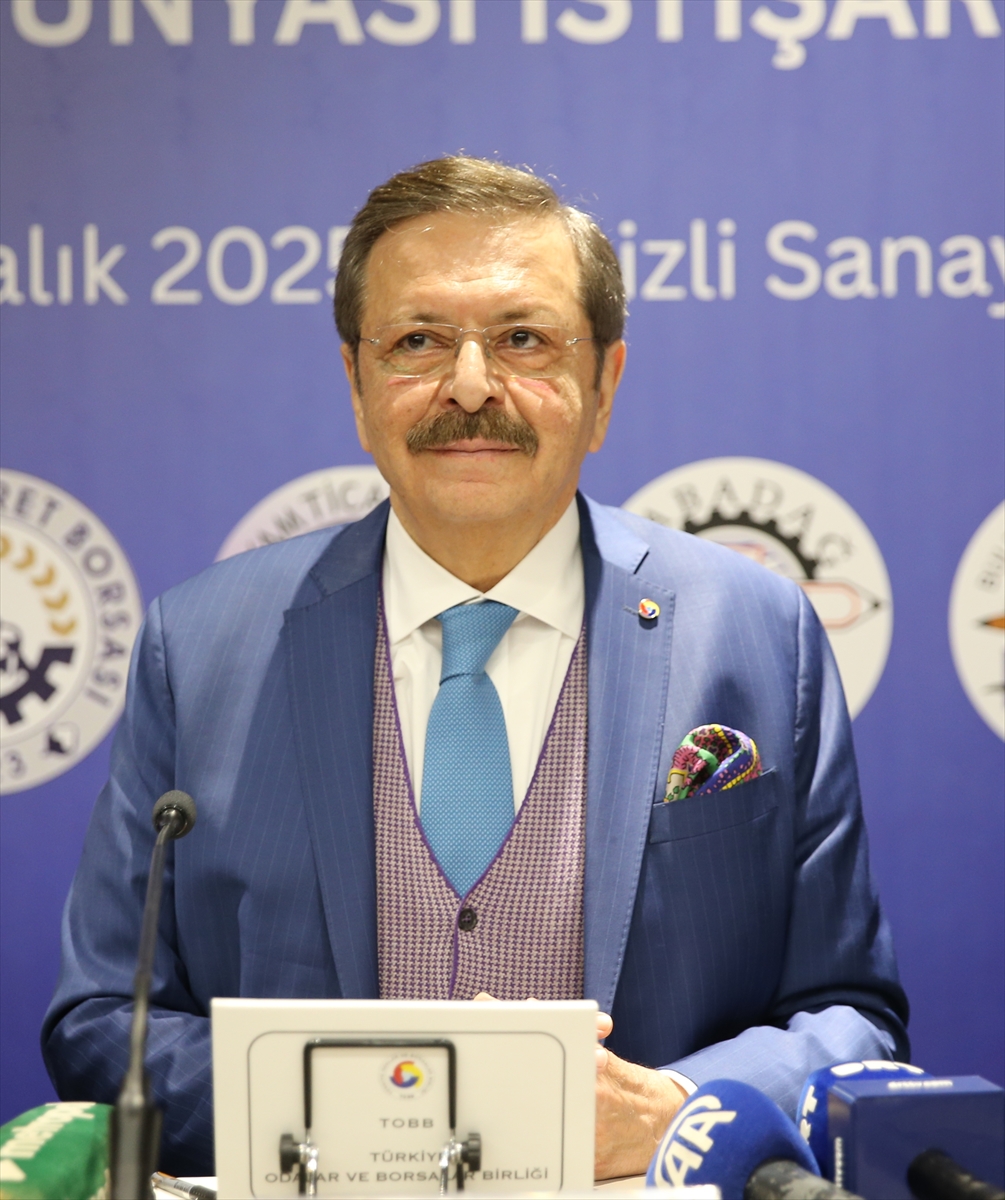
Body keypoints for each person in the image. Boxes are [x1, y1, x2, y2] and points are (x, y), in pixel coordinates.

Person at [42, 156, 908, 1180]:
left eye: (523, 340)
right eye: (417, 341)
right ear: (356, 384)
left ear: (604, 386)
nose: (468, 385)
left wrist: (675, 1112)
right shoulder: (199, 645)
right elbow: (104, 1024)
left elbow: (850, 1015)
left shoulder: (759, 632)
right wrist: (386, 1111)